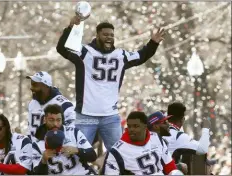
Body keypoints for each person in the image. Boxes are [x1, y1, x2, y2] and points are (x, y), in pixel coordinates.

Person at [56, 15, 166, 151]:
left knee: (120, 153)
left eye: (112, 35)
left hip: (110, 115)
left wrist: (153, 43)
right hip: (86, 115)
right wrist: (70, 28)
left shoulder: (121, 56)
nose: (109, 37)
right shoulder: (85, 52)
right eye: (105, 34)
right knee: (79, 153)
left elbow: (141, 56)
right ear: (97, 35)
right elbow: (61, 48)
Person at [101, 111, 182, 175]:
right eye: (129, 126)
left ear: (145, 126)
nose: (131, 129)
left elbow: (170, 167)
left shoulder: (157, 138)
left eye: (136, 126)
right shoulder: (117, 151)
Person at [32, 104, 97, 175]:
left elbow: (93, 157)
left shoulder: (73, 132)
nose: (55, 124)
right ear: (45, 119)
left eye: (58, 120)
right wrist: (43, 160)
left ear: (62, 119)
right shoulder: (37, 145)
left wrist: (77, 150)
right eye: (51, 120)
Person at [27, 71, 76, 139]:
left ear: (46, 86)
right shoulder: (32, 103)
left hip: (55, 147)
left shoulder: (64, 105)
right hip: (34, 148)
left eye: (35, 85)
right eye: (31, 85)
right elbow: (29, 131)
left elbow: (70, 133)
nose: (31, 88)